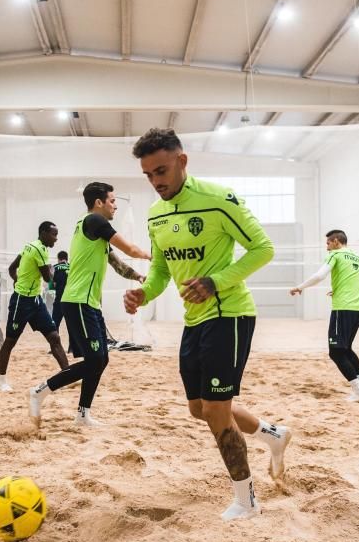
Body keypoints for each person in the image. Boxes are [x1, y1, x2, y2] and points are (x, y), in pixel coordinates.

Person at [123, 128, 293, 522]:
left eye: (161, 170)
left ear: (182, 161)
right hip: (194, 320)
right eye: (148, 175)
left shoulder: (219, 200)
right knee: (200, 409)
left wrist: (217, 281)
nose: (156, 181)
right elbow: (161, 271)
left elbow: (263, 248)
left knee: (218, 410)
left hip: (230, 314)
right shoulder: (156, 213)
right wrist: (143, 293)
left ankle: (247, 501)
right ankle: (273, 434)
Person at [29, 182, 150, 428]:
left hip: (89, 303)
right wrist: (156, 256)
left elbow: (117, 263)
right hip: (78, 301)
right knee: (95, 360)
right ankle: (40, 391)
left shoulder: (94, 231)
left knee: (102, 359)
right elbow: (130, 248)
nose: (115, 205)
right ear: (99, 202)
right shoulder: (94, 222)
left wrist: (139, 276)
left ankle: (83, 414)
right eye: (112, 201)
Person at [290, 230, 359, 402]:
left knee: (336, 352)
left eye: (328, 243)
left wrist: (300, 287)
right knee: (346, 349)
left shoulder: (336, 255)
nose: (327, 247)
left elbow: (320, 275)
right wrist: (340, 289)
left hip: (343, 309)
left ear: (335, 241)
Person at [0, 222, 70, 391]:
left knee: (54, 337)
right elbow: (48, 278)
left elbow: (12, 269)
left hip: (36, 301)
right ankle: (2, 381)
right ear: (43, 233)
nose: (56, 238)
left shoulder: (28, 246)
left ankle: (67, 374)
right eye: (53, 234)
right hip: (21, 302)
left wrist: (17, 278)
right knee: (9, 342)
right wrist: (52, 271)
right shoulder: (40, 250)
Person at [50, 250, 70, 346]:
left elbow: (52, 286)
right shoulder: (72, 267)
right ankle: (72, 348)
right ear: (67, 258)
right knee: (71, 325)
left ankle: (56, 346)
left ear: (58, 259)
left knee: (55, 324)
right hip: (71, 300)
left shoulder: (54, 268)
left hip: (59, 300)